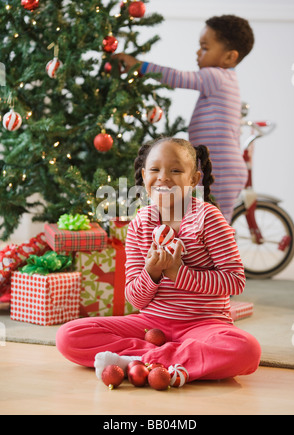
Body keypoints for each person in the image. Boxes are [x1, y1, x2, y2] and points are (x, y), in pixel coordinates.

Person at [56, 137, 261, 382]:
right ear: (144, 176)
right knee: (69, 335)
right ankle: (175, 361)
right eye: (155, 170)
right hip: (150, 324)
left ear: (194, 179)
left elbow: (235, 281)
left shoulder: (208, 218)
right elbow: (134, 296)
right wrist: (151, 273)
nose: (163, 177)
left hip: (203, 324)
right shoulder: (140, 224)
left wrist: (178, 273)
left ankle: (141, 360)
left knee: (246, 349)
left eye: (175, 170)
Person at [113, 15, 255, 224]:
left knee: (215, 223)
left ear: (229, 57)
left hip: (222, 169)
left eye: (205, 48)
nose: (198, 52)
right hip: (221, 167)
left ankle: (220, 256)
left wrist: (140, 67)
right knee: (206, 219)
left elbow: (179, 78)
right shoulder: (225, 80)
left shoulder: (216, 76)